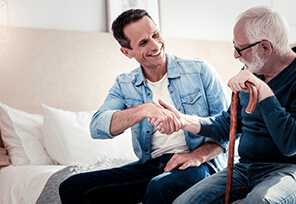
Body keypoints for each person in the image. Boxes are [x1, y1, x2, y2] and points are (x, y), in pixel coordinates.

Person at [149, 6, 296, 204]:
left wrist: (262, 90)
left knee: (259, 201)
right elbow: (229, 123)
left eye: (240, 48)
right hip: (247, 168)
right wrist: (184, 121)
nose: (235, 55)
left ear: (265, 48)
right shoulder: (255, 68)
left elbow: (291, 143)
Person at [59, 8, 229, 204]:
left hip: (200, 165)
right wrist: (144, 110)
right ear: (126, 52)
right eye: (143, 42)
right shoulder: (125, 84)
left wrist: (196, 156)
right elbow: (97, 127)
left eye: (155, 34)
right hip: (152, 166)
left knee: (160, 186)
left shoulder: (199, 71)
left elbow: (228, 128)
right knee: (71, 186)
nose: (156, 45)